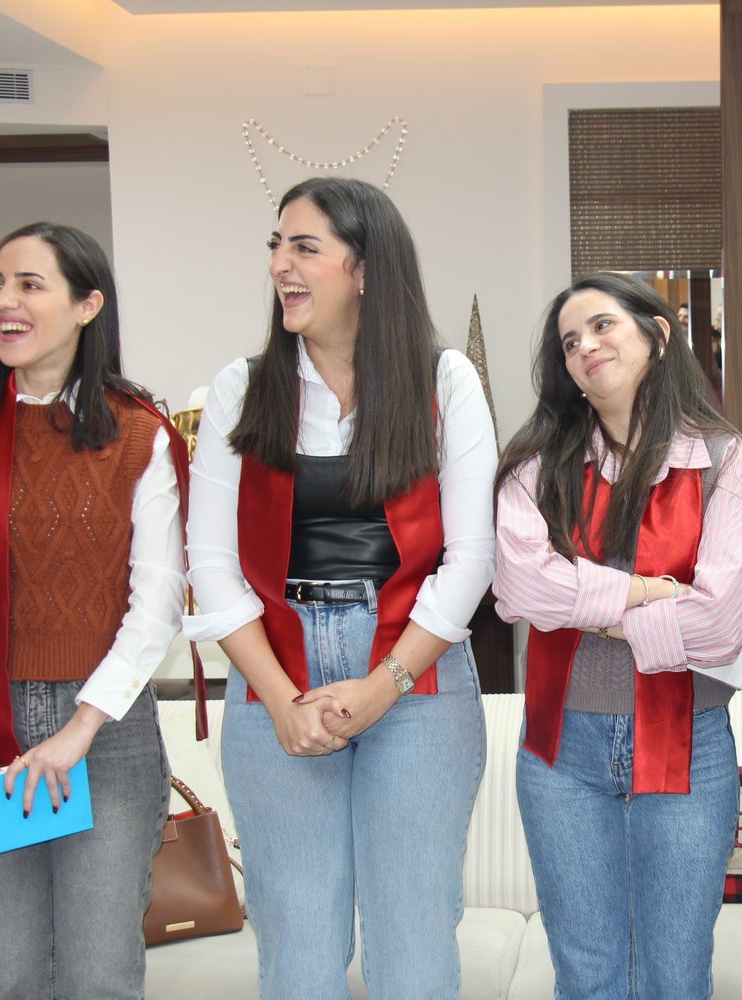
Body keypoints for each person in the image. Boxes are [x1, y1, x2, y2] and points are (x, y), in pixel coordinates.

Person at [185, 176, 496, 1000]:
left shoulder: (445, 381)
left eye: (304, 247)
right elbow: (208, 562)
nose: (280, 265)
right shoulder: (241, 387)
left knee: (412, 939)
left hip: (416, 671)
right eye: (275, 247)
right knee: (297, 941)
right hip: (275, 669)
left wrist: (385, 682)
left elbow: (472, 558)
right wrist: (280, 699)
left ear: (364, 268)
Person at [0, 222, 186, 999]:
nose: (5, 302)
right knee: (7, 978)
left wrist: (78, 730)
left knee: (98, 979)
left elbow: (157, 601)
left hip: (103, 735)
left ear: (88, 305)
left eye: (30, 284)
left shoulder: (139, 435)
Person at [493, 272, 742, 999]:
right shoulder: (535, 463)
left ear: (658, 334)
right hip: (561, 752)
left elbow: (721, 624)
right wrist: (651, 592)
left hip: (688, 743)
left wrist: (583, 606)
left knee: (677, 978)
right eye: (569, 342)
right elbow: (520, 590)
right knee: (588, 979)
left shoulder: (722, 459)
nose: (585, 347)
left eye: (603, 325)